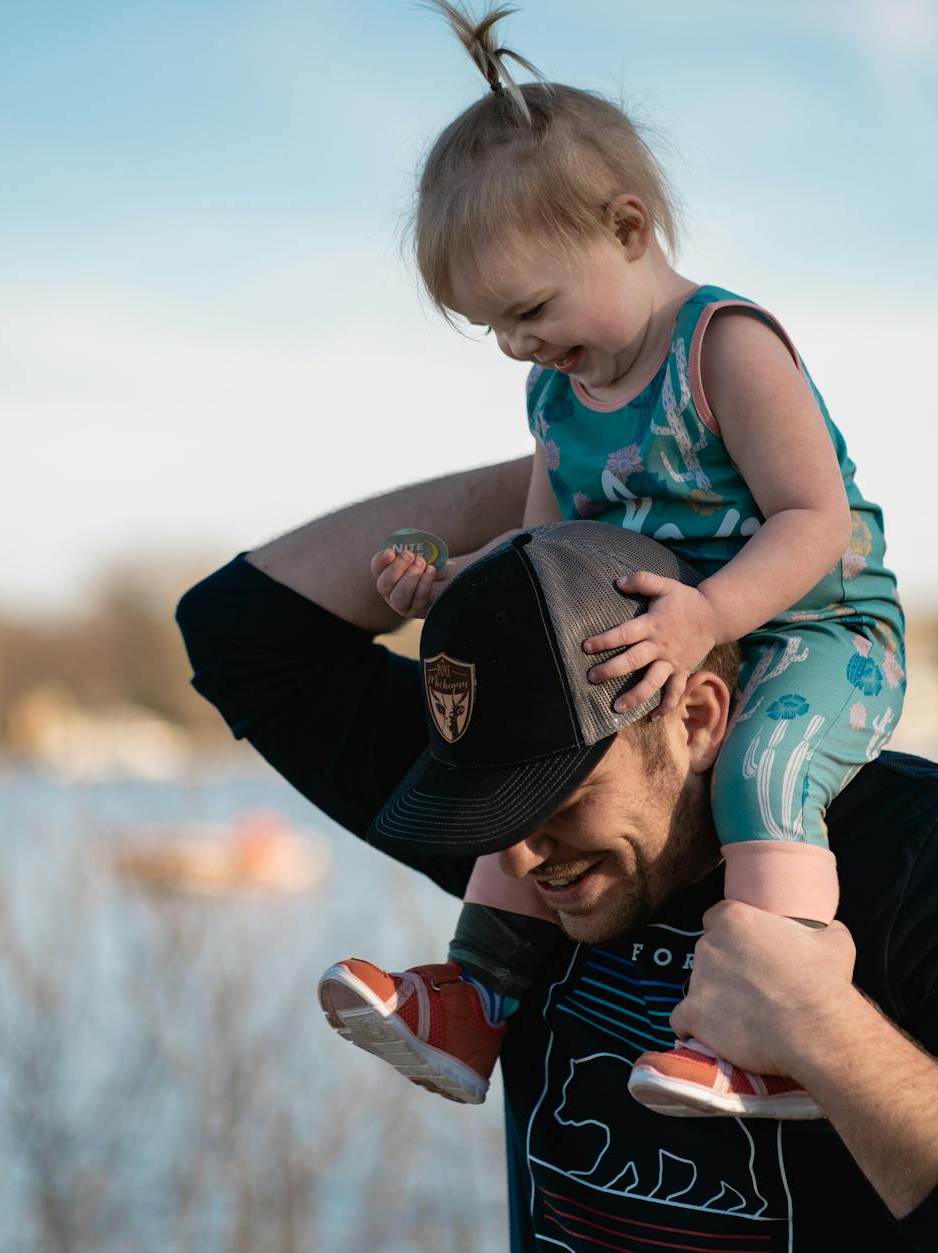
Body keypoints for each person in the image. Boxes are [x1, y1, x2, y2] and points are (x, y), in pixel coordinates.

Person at [175, 473, 938, 1250]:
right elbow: (240, 630)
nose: (516, 851)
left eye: (552, 803)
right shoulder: (532, 861)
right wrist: (584, 452)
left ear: (694, 715)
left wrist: (824, 1035)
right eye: (488, 810)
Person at [328, 0, 908, 1119]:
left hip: (815, 633)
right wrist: (455, 577)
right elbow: (550, 545)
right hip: (674, 638)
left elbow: (813, 518)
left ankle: (775, 1032)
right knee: (524, 747)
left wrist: (706, 613)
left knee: (761, 769)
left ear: (629, 229)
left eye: (531, 307)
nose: (520, 344)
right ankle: (474, 1001)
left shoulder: (723, 347)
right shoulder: (556, 393)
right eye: (492, 327)